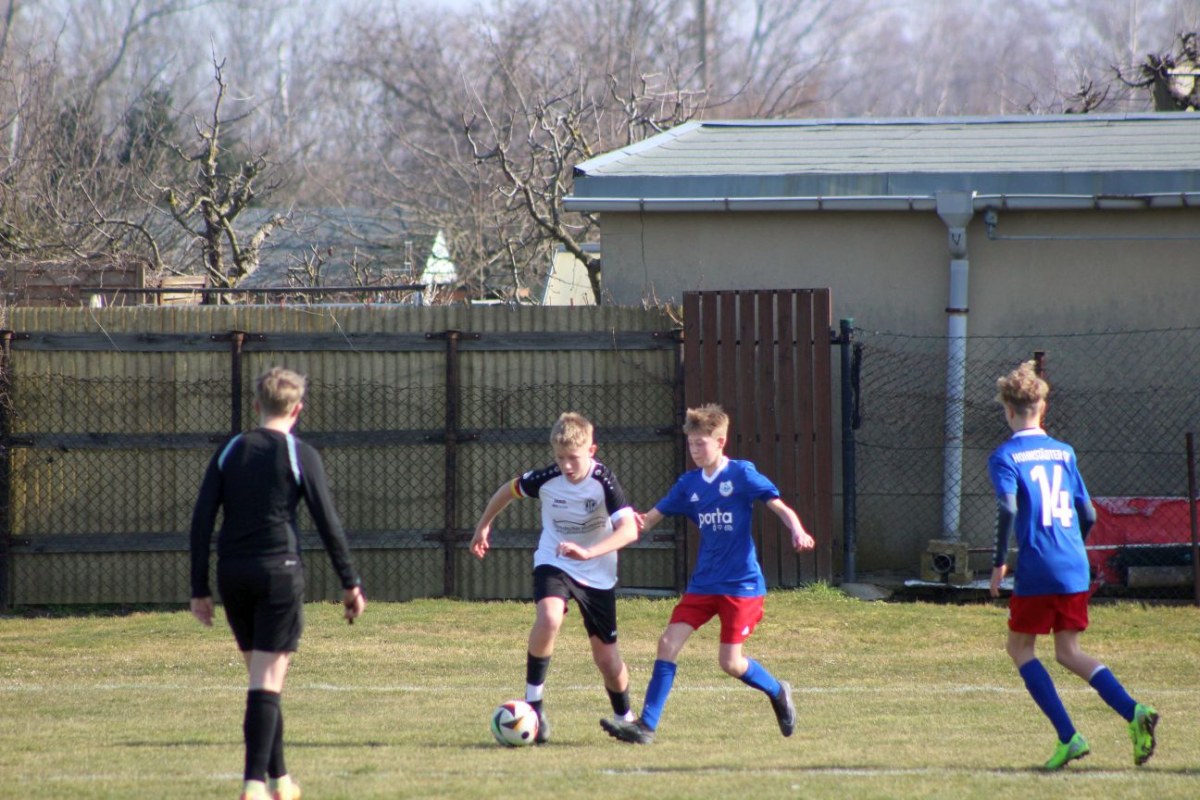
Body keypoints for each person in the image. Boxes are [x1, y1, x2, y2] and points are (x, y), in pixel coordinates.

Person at [190, 366, 366, 800]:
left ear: (256, 405)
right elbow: (328, 522)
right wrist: (350, 582)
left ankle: (280, 781)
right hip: (278, 575)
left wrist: (199, 588)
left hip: (234, 575)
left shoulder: (230, 450)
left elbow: (201, 521)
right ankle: (253, 785)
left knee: (263, 680)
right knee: (266, 683)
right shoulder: (297, 453)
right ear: (298, 409)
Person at [600, 403, 814, 745]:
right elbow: (648, 520)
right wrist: (615, 529)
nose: (695, 450)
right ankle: (646, 726)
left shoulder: (741, 474)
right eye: (691, 444)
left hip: (741, 586)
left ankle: (777, 690)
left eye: (701, 443)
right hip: (703, 583)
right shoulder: (689, 484)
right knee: (667, 643)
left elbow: (779, 506)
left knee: (730, 662)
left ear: (721, 441)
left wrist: (797, 530)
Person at [988, 360, 1157, 770]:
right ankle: (1134, 711)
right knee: (1068, 651)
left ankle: (1069, 737)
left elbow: (1009, 508)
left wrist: (999, 562)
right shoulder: (1064, 453)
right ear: (1043, 408)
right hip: (1073, 564)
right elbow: (1089, 514)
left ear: (1008, 410)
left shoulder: (1005, 455)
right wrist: (1071, 548)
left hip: (1039, 566)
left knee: (1019, 647)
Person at [470, 411, 639, 743]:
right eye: (560, 458)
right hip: (555, 559)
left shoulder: (604, 481)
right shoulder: (547, 479)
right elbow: (508, 490)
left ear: (592, 450)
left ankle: (626, 718)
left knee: (607, 659)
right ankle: (534, 705)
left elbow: (629, 530)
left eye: (573, 458)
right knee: (549, 617)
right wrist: (483, 525)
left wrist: (589, 552)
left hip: (597, 571)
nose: (567, 465)